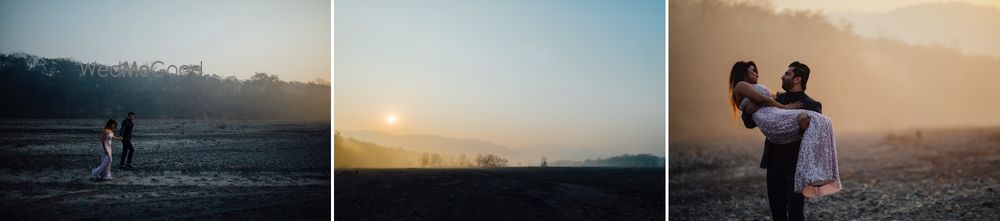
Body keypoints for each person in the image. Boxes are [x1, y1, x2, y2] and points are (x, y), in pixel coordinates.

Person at [728, 61, 842, 220]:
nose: (782, 76)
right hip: (773, 161)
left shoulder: (812, 105)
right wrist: (748, 110)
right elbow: (749, 123)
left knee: (795, 211)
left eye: (787, 74)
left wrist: (802, 127)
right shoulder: (776, 98)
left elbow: (814, 137)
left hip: (796, 164)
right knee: (777, 211)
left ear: (797, 79)